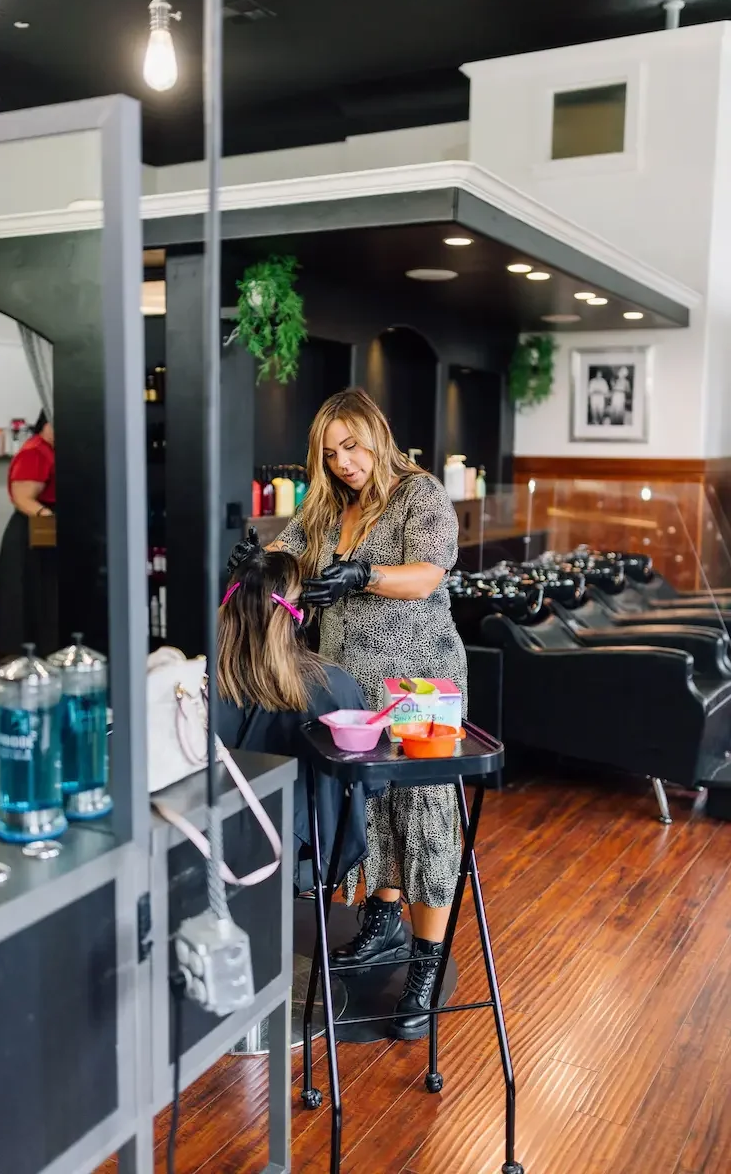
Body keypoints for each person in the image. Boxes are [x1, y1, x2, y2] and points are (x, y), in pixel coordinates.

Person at [230, 388, 467, 1041]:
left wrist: (363, 575)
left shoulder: (421, 495)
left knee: (424, 822)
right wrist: (257, 563)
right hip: (350, 687)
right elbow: (290, 555)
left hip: (420, 682)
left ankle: (424, 965)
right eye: (331, 454)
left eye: (352, 448)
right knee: (372, 807)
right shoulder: (330, 505)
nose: (344, 463)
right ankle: (384, 923)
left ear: (377, 435)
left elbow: (427, 574)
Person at [216, 547, 374, 890]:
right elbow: (371, 781)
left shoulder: (197, 683)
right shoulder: (332, 686)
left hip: (208, 853)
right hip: (297, 857)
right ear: (298, 612)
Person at [0, 410, 58, 656]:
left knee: (48, 597)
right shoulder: (35, 451)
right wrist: (51, 519)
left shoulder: (53, 450)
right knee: (32, 597)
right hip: (32, 532)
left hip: (45, 528)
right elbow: (22, 498)